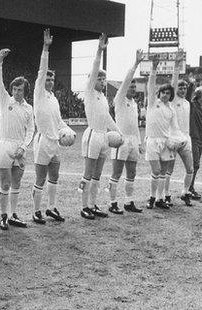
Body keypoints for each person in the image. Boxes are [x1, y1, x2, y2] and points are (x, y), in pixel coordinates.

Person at [31, 29, 71, 225]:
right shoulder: (39, 93)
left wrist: (68, 131)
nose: (49, 81)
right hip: (43, 141)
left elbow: (59, 121)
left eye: (52, 79)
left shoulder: (54, 98)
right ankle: (36, 211)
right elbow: (41, 69)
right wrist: (46, 48)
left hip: (55, 143)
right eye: (47, 79)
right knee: (40, 178)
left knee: (54, 176)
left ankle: (51, 207)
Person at [79, 33, 121, 220]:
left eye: (104, 80)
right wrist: (99, 50)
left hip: (104, 136)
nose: (102, 82)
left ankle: (92, 205)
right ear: (93, 80)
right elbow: (95, 68)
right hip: (92, 135)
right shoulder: (89, 92)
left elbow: (108, 118)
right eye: (99, 79)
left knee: (97, 174)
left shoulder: (104, 97)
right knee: (88, 173)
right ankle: (83, 207)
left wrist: (119, 132)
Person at [0, 48, 34, 230]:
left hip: (20, 148)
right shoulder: (4, 100)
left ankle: (13, 215)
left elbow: (31, 129)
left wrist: (24, 147)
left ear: (25, 91)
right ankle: (3, 216)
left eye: (20, 90)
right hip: (4, 145)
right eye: (15, 89)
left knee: (16, 183)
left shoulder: (28, 108)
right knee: (5, 183)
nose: (17, 92)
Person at [107, 50, 145, 214]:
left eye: (135, 87)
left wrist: (139, 142)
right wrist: (135, 64)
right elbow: (125, 83)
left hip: (132, 141)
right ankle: (112, 202)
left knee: (132, 172)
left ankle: (129, 202)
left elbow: (135, 126)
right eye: (130, 86)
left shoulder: (135, 103)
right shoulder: (120, 99)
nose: (133, 88)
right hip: (120, 140)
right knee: (116, 172)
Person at [144, 57, 180, 209]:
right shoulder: (153, 103)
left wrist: (178, 139)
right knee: (156, 170)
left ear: (170, 95)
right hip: (152, 141)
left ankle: (160, 199)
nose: (165, 94)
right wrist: (153, 68)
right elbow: (151, 86)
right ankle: (151, 198)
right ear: (159, 94)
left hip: (166, 142)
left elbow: (175, 128)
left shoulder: (171, 109)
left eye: (167, 93)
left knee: (163, 172)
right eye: (163, 92)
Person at [164, 51, 195, 206]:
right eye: (180, 88)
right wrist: (177, 64)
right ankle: (166, 194)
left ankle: (185, 192)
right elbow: (174, 81)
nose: (182, 90)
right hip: (173, 138)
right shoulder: (173, 99)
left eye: (184, 88)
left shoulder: (187, 103)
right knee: (169, 170)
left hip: (186, 138)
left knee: (190, 168)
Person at [188, 78, 202, 200]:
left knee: (196, 165)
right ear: (198, 95)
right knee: (194, 164)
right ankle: (189, 188)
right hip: (193, 139)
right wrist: (191, 84)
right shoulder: (193, 106)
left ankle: (190, 187)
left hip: (200, 140)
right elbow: (187, 97)